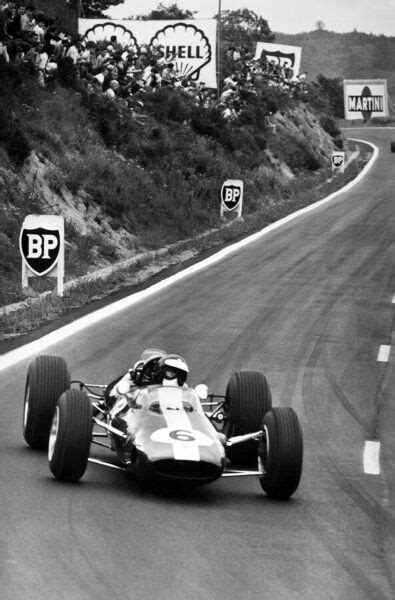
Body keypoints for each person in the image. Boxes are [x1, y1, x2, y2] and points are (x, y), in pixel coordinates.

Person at [103, 349, 189, 411]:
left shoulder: (183, 386)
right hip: (142, 412)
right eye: (171, 373)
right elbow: (128, 393)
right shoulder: (145, 379)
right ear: (161, 372)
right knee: (116, 393)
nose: (176, 378)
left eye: (179, 375)